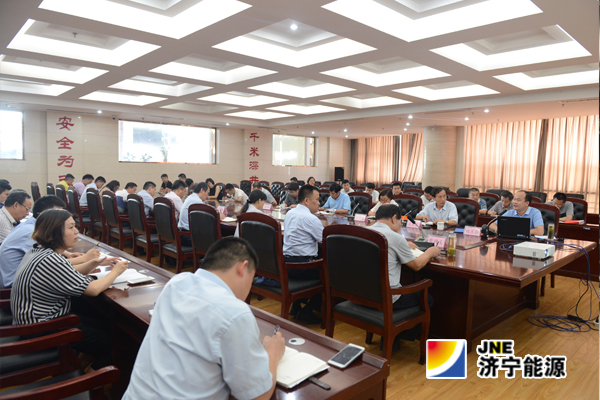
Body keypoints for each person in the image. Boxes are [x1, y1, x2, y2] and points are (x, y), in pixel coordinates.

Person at [122, 237, 285, 400]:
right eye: (251, 279)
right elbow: (258, 396)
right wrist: (273, 352)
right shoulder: (235, 312)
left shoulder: (176, 282)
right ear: (243, 268)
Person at [11, 209, 127, 370]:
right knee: (113, 342)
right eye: (71, 227)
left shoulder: (38, 251)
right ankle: (89, 380)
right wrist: (116, 271)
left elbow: (67, 273)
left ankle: (78, 368)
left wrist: (95, 262)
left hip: (36, 322)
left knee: (105, 326)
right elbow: (93, 289)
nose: (77, 231)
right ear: (55, 232)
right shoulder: (51, 260)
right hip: (40, 328)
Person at [369, 205, 440, 349]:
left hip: (364, 293)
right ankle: (395, 335)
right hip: (388, 298)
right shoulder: (395, 238)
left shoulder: (365, 231)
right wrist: (430, 252)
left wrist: (403, 244)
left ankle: (389, 333)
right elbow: (417, 265)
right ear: (394, 218)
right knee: (427, 299)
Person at [0, 195, 98, 288]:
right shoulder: (31, 232)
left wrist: (68, 254)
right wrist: (84, 258)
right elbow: (49, 264)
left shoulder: (30, 225)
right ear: (46, 215)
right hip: (14, 284)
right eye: (57, 215)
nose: (62, 218)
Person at [283, 185, 324, 324]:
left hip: (286, 265)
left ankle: (296, 307)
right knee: (330, 274)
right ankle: (307, 311)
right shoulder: (311, 219)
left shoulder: (290, 213)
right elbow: (325, 241)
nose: (319, 203)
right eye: (317, 199)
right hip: (301, 267)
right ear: (307, 200)